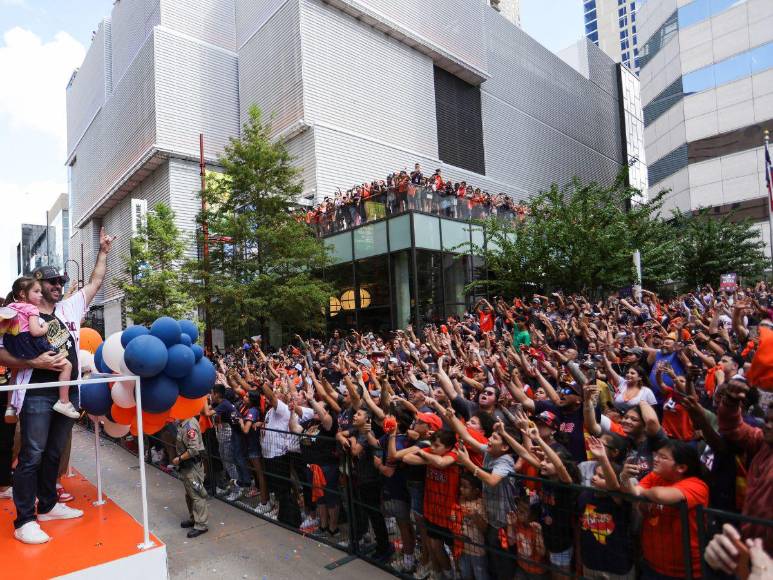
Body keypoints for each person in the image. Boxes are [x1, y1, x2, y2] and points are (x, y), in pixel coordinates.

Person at [0, 228, 113, 545]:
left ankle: (48, 505)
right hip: (35, 391)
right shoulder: (19, 313)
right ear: (35, 287)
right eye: (51, 282)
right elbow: (1, 353)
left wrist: (103, 252)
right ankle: (25, 520)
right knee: (32, 454)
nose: (58, 286)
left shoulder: (69, 308)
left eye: (61, 282)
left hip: (68, 391)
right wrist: (34, 362)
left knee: (53, 452)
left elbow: (95, 282)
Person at [621, 439, 709, 580]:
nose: (655, 459)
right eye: (656, 455)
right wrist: (625, 478)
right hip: (652, 564)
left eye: (663, 457)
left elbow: (659, 495)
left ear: (681, 467)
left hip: (685, 570)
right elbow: (633, 492)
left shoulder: (697, 485)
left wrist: (642, 493)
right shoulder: (655, 476)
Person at [1, 278, 77, 421]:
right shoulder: (31, 309)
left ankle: (10, 407)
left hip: (12, 344)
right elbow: (35, 331)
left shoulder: (11, 306)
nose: (40, 295)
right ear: (23, 294)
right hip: (29, 343)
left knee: (15, 372)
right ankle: (64, 401)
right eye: (36, 292)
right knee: (67, 365)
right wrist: (45, 327)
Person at [172, 414, 209, 538]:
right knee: (190, 494)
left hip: (192, 466)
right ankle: (194, 518)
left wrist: (179, 459)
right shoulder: (183, 423)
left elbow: (193, 449)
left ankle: (201, 524)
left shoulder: (189, 426)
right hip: (187, 466)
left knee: (197, 495)